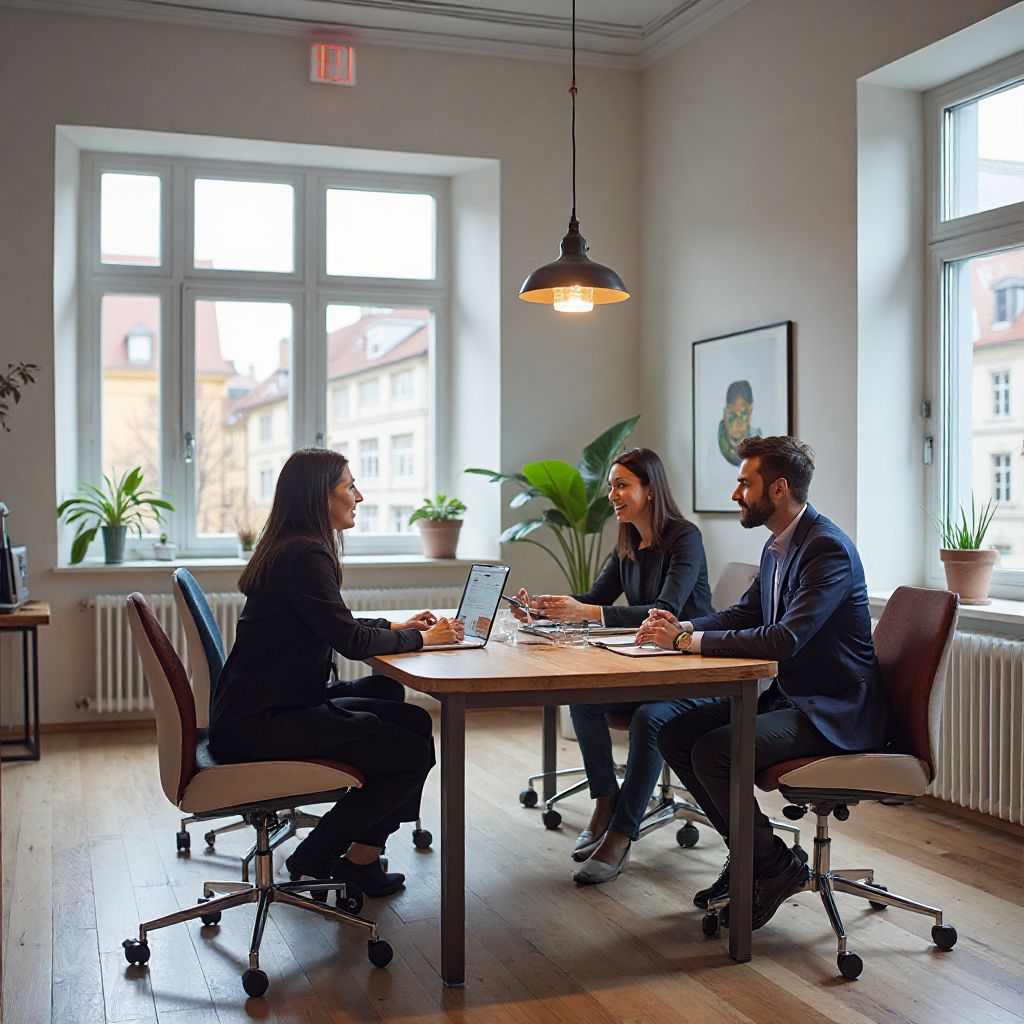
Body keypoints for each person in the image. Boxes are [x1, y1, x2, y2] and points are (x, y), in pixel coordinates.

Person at [637, 435, 889, 930]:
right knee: (676, 734)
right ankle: (757, 858)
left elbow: (784, 639)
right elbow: (743, 613)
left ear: (777, 488)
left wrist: (686, 646)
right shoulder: (779, 546)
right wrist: (682, 627)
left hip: (833, 711)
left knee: (716, 751)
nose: (736, 494)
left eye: (743, 483)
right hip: (793, 700)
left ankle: (770, 864)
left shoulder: (826, 550)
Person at [208, 448, 464, 897]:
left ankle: (362, 858)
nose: (359, 496)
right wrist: (424, 640)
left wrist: (395, 628)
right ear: (319, 497)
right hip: (265, 723)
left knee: (407, 715)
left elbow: (333, 623)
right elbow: (350, 642)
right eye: (349, 486)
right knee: (410, 753)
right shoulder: (305, 554)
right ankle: (318, 856)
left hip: (260, 710)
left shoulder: (291, 547)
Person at [515, 448, 714, 885]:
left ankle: (621, 835)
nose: (612, 495)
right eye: (611, 485)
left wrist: (586, 613)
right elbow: (593, 598)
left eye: (622, 485)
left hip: (695, 671)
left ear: (649, 489)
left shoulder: (685, 538)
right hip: (647, 668)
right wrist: (544, 610)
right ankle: (606, 798)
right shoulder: (627, 540)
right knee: (582, 699)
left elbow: (663, 612)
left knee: (650, 717)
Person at [717, 379, 761, 466]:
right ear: (725, 415)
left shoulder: (759, 441)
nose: (737, 422)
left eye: (743, 413)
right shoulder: (715, 449)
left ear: (750, 413)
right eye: (732, 414)